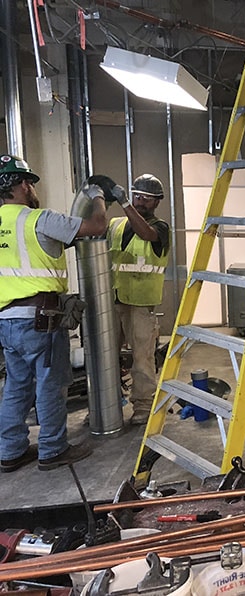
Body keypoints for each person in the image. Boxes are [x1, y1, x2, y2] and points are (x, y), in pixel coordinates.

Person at [0, 155, 108, 472]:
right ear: (23, 185)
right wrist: (99, 197)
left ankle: (10, 451)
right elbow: (97, 226)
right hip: (40, 319)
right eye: (30, 183)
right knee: (51, 384)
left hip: (7, 321)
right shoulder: (39, 219)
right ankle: (52, 449)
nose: (33, 188)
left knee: (16, 386)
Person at [107, 174, 170, 426]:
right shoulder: (116, 224)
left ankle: (143, 405)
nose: (141, 201)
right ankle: (107, 404)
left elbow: (146, 234)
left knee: (142, 358)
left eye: (147, 198)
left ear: (157, 202)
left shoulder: (161, 227)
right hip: (112, 300)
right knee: (105, 355)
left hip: (141, 303)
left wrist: (124, 203)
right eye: (137, 196)